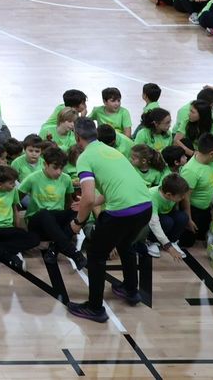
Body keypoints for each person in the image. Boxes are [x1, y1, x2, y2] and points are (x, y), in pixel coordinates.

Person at [67, 117, 153, 322]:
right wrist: (93, 201)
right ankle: (131, 290)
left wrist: (77, 222)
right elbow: (113, 185)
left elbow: (86, 197)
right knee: (125, 245)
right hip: (145, 207)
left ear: (77, 137)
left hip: (123, 213)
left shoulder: (85, 157)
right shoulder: (111, 151)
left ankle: (95, 308)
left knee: (96, 255)